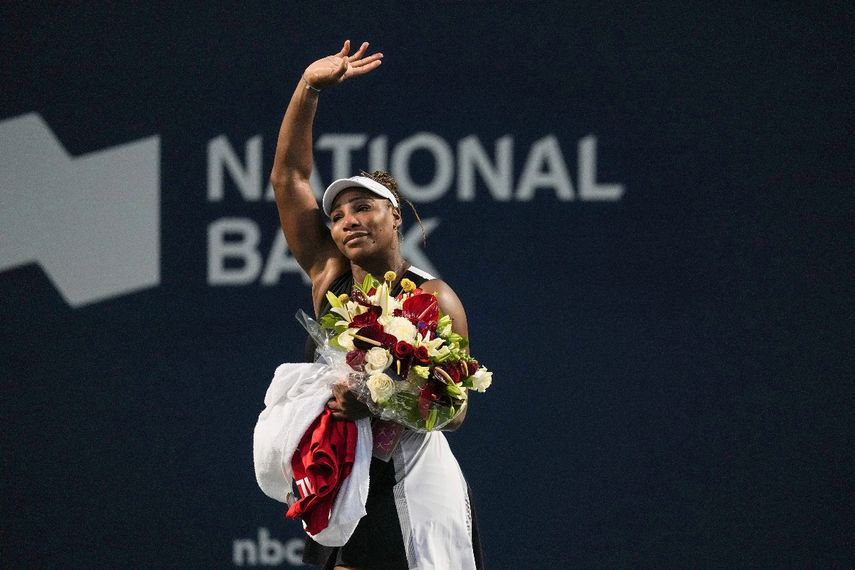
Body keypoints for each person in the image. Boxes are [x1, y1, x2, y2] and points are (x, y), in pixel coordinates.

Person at [270, 41, 484, 570]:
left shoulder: (433, 298)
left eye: (362, 207)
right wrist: (308, 88)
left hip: (412, 484)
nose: (347, 222)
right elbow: (289, 179)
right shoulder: (329, 277)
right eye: (338, 215)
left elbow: (455, 412)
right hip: (341, 480)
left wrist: (379, 404)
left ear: (396, 217)